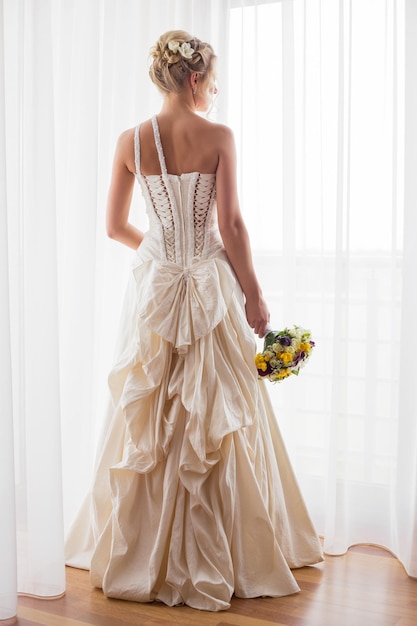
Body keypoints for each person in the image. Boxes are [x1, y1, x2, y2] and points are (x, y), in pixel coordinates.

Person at [65, 29, 323, 612]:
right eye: (212, 79)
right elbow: (230, 226)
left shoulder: (131, 141)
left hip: (158, 290)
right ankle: (232, 550)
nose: (214, 89)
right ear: (193, 78)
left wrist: (160, 254)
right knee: (220, 413)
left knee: (151, 408)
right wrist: (255, 297)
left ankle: (140, 554)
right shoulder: (218, 136)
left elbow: (114, 226)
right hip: (208, 285)